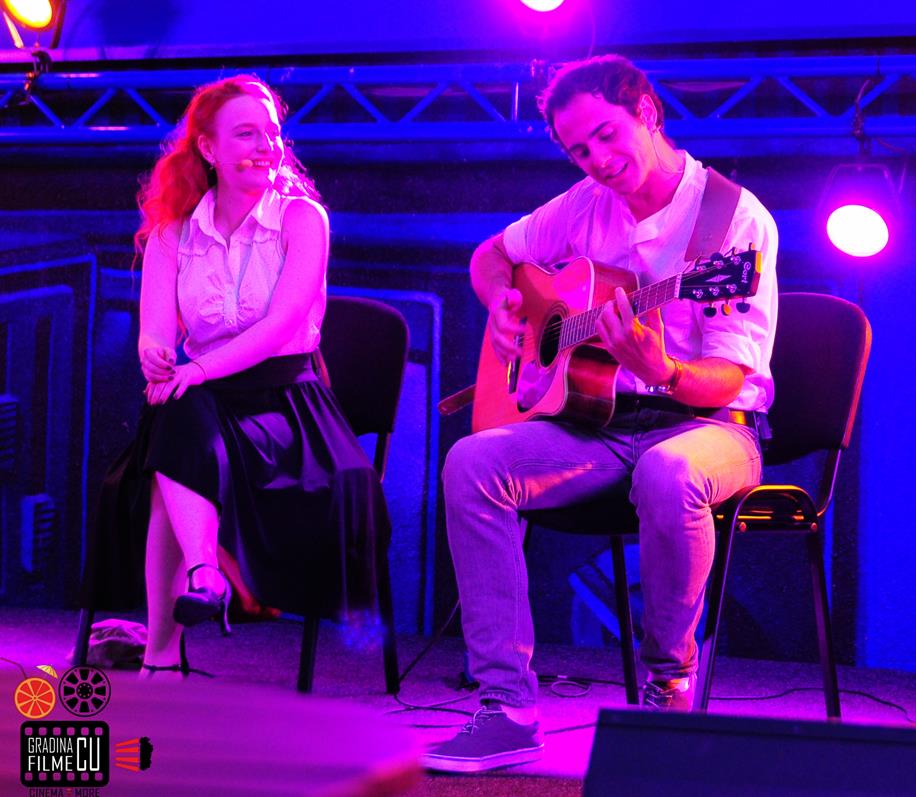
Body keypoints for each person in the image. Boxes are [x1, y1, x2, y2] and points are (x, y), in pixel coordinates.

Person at [425, 54, 778, 772]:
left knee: (669, 471)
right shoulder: (584, 202)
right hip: (599, 427)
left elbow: (730, 379)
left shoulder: (731, 220)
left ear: (646, 111)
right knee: (472, 462)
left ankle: (666, 687)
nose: (598, 160)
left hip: (711, 427)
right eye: (578, 149)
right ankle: (506, 707)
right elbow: (492, 255)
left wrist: (662, 368)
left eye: (607, 136)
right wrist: (504, 303)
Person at [92, 75, 390, 678]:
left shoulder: (302, 219)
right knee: (177, 422)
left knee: (171, 445)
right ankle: (204, 576)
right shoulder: (172, 233)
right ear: (208, 148)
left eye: (271, 133)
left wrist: (194, 370)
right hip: (201, 401)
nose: (265, 146)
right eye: (246, 134)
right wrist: (155, 356)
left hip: (289, 404)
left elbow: (282, 326)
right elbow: (155, 330)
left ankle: (165, 646)